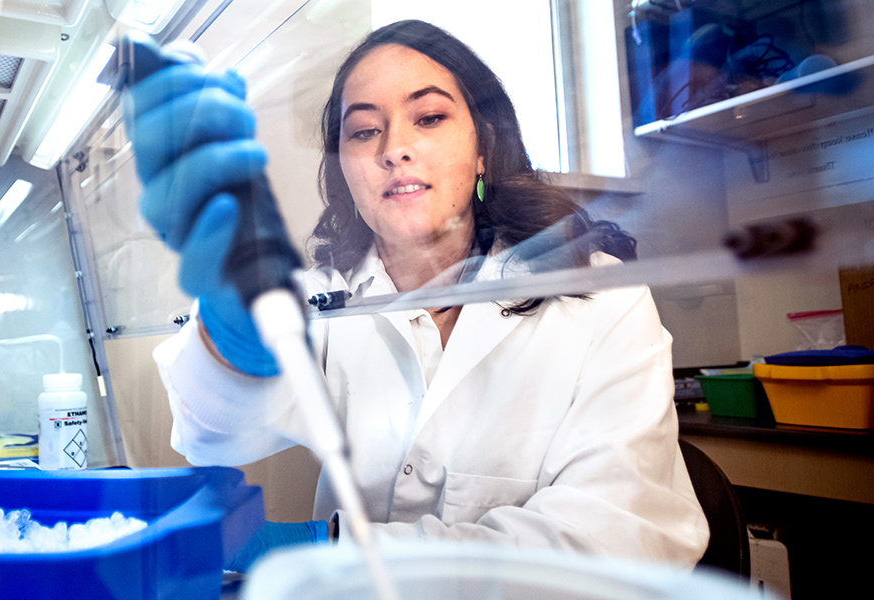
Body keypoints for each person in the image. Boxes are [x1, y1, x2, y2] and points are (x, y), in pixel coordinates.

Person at [129, 20, 709, 572]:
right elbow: (213, 435)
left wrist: (334, 553)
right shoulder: (327, 302)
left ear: (485, 147)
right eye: (363, 131)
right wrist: (231, 332)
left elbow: (624, 535)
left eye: (428, 117)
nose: (393, 148)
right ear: (345, 175)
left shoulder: (599, 298)